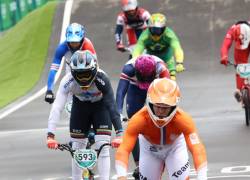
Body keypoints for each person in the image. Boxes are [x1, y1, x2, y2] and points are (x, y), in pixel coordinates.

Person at [46, 50, 123, 180]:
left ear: (94, 69)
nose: (84, 78)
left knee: (103, 146)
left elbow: (111, 104)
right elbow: (57, 107)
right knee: (77, 148)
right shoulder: (67, 80)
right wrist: (50, 135)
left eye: (87, 73)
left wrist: (119, 134)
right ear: (73, 72)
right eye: (79, 74)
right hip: (80, 108)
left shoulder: (102, 78)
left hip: (100, 107)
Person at [114, 78, 208, 180]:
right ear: (149, 102)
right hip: (149, 149)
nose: (160, 111)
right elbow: (124, 149)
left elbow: (197, 149)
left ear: (174, 106)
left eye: (165, 107)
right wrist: (121, 176)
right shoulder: (138, 120)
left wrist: (202, 176)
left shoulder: (184, 120)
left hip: (175, 148)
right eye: (157, 106)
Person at [116, 54, 170, 179]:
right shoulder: (129, 68)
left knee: (160, 119)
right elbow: (120, 92)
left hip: (157, 88)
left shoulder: (161, 69)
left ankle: (163, 155)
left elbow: (168, 93)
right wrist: (118, 112)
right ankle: (139, 166)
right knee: (134, 125)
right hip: (135, 88)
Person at [45, 22, 96, 104]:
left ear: (82, 39)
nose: (74, 45)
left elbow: (95, 66)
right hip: (71, 73)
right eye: (71, 41)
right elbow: (53, 69)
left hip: (87, 75)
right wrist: (49, 90)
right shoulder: (62, 47)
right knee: (70, 107)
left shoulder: (87, 44)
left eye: (76, 41)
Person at [132, 13, 185, 81]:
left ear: (164, 29)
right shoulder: (144, 36)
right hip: (152, 60)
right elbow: (137, 50)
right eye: (153, 30)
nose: (156, 34)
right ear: (149, 28)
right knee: (149, 79)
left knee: (172, 78)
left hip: (167, 59)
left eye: (158, 30)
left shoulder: (169, 35)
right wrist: (135, 63)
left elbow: (177, 48)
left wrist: (179, 63)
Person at [220, 21, 250, 103]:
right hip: (240, 47)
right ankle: (240, 91)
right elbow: (225, 45)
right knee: (240, 65)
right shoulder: (232, 30)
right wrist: (224, 56)